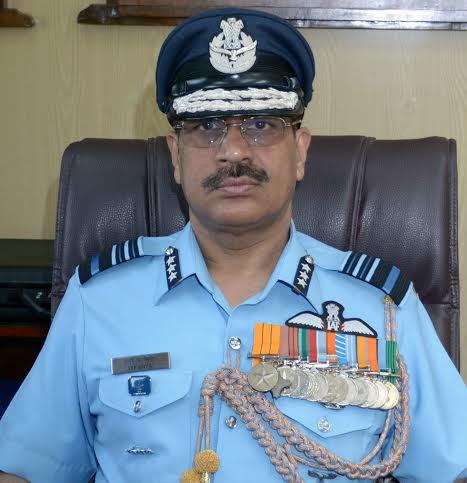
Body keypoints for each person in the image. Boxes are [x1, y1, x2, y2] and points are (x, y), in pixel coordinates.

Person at [0, 7, 466, 483]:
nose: (235, 151)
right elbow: (26, 467)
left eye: (262, 125)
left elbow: (454, 469)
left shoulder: (382, 308)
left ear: (300, 151)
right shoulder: (99, 301)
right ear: (175, 156)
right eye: (206, 127)